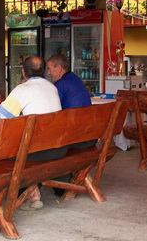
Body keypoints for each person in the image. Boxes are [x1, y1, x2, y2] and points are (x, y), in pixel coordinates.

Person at [0, 56, 62, 210]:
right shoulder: (52, 87)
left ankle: (28, 192)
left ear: (23, 72)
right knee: (24, 147)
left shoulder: (22, 89)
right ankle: (33, 192)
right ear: (44, 71)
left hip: (37, 152)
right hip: (58, 148)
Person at [46, 54, 96, 196]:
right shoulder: (75, 79)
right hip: (90, 136)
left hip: (76, 139)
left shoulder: (60, 85)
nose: (48, 73)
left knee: (46, 147)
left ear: (59, 68)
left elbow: (52, 112)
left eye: (50, 69)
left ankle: (61, 185)